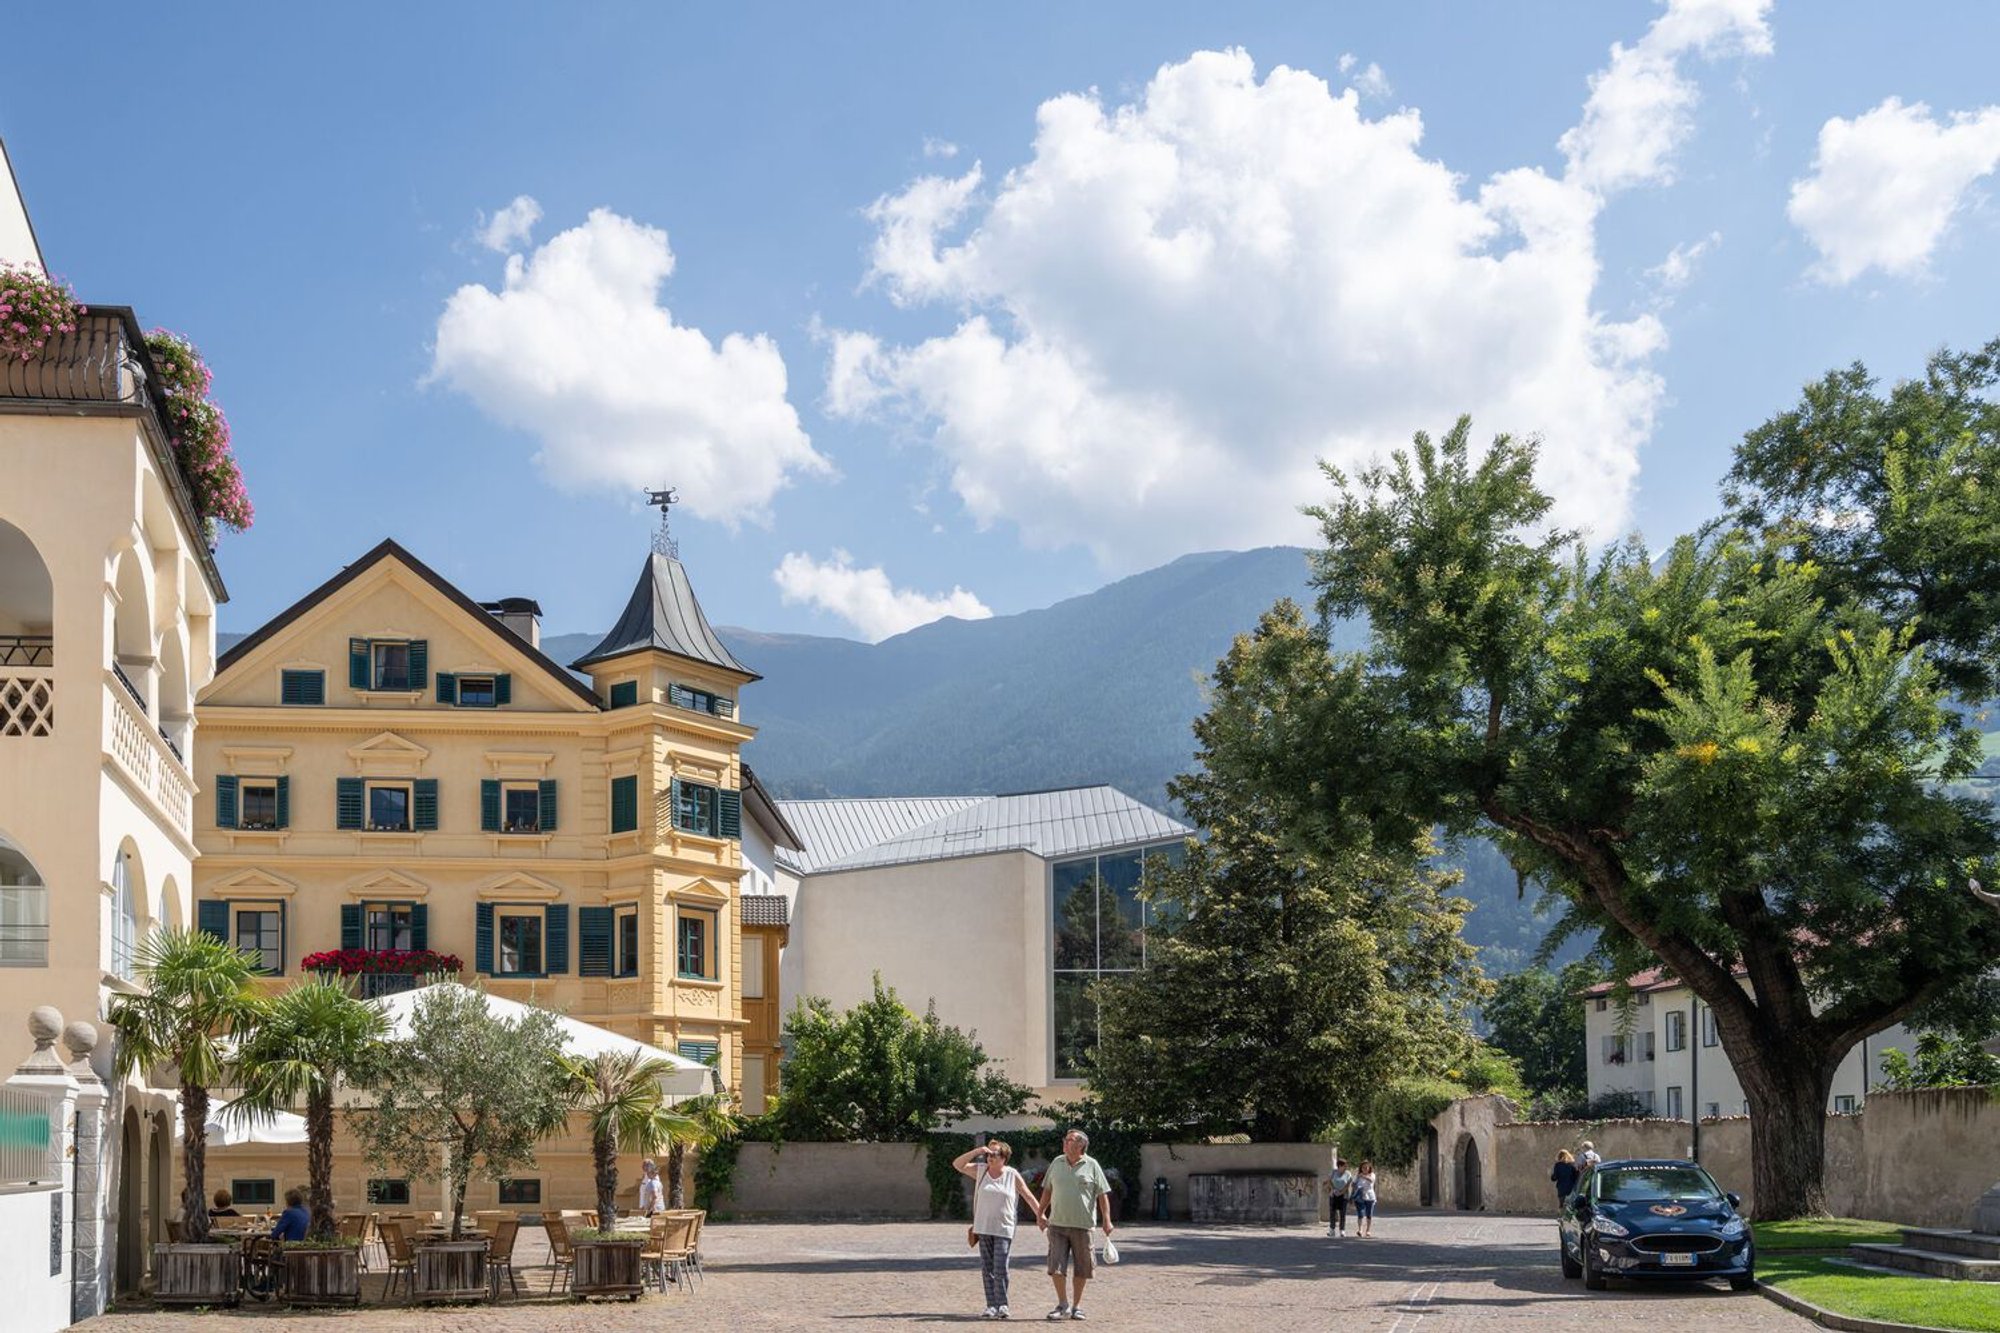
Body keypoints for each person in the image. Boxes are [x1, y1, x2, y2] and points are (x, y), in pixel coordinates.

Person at [955, 1138, 1046, 1319]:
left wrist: (1040, 1215)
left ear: (1004, 1157)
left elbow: (1027, 1195)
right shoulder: (981, 1171)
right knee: (987, 1267)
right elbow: (957, 1164)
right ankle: (991, 1305)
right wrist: (977, 1151)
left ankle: (1002, 1304)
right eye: (988, 1153)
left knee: (1000, 1267)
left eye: (995, 1154)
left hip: (1004, 1227)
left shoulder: (1012, 1174)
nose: (990, 1157)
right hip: (983, 1226)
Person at [1038, 1128, 1113, 1321]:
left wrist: (1107, 1220)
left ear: (1081, 1145)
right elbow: (1047, 1190)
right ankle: (1062, 1304)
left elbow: (1102, 1195)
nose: (1065, 1142)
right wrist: (1040, 1213)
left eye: (1069, 1140)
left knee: (1083, 1268)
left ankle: (1077, 1307)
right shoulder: (1057, 1162)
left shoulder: (1092, 1165)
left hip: (1083, 1225)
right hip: (1057, 1225)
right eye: (1065, 1139)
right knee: (1056, 1267)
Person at [1326, 1158, 1355, 1237]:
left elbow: (1348, 1184)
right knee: (1332, 1213)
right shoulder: (1333, 1172)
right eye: (1344, 1166)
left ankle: (1342, 1230)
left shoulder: (1348, 1173)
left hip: (1343, 1196)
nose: (1346, 1167)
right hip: (1333, 1194)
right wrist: (1334, 1189)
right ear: (1339, 1166)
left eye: (1346, 1166)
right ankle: (1332, 1230)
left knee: (1342, 1213)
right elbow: (1329, 1181)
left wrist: (1341, 1192)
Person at [1351, 1161, 1378, 1237]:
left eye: (1367, 1167)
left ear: (1369, 1168)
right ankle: (1360, 1230)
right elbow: (1353, 1184)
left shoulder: (1372, 1175)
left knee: (1369, 1215)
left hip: (1370, 1197)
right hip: (1360, 1197)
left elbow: (1371, 1180)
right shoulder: (1358, 1176)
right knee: (1360, 1214)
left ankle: (1368, 1230)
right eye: (1363, 1167)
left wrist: (1363, 1176)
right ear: (1361, 1168)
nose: (1365, 1169)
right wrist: (1355, 1186)